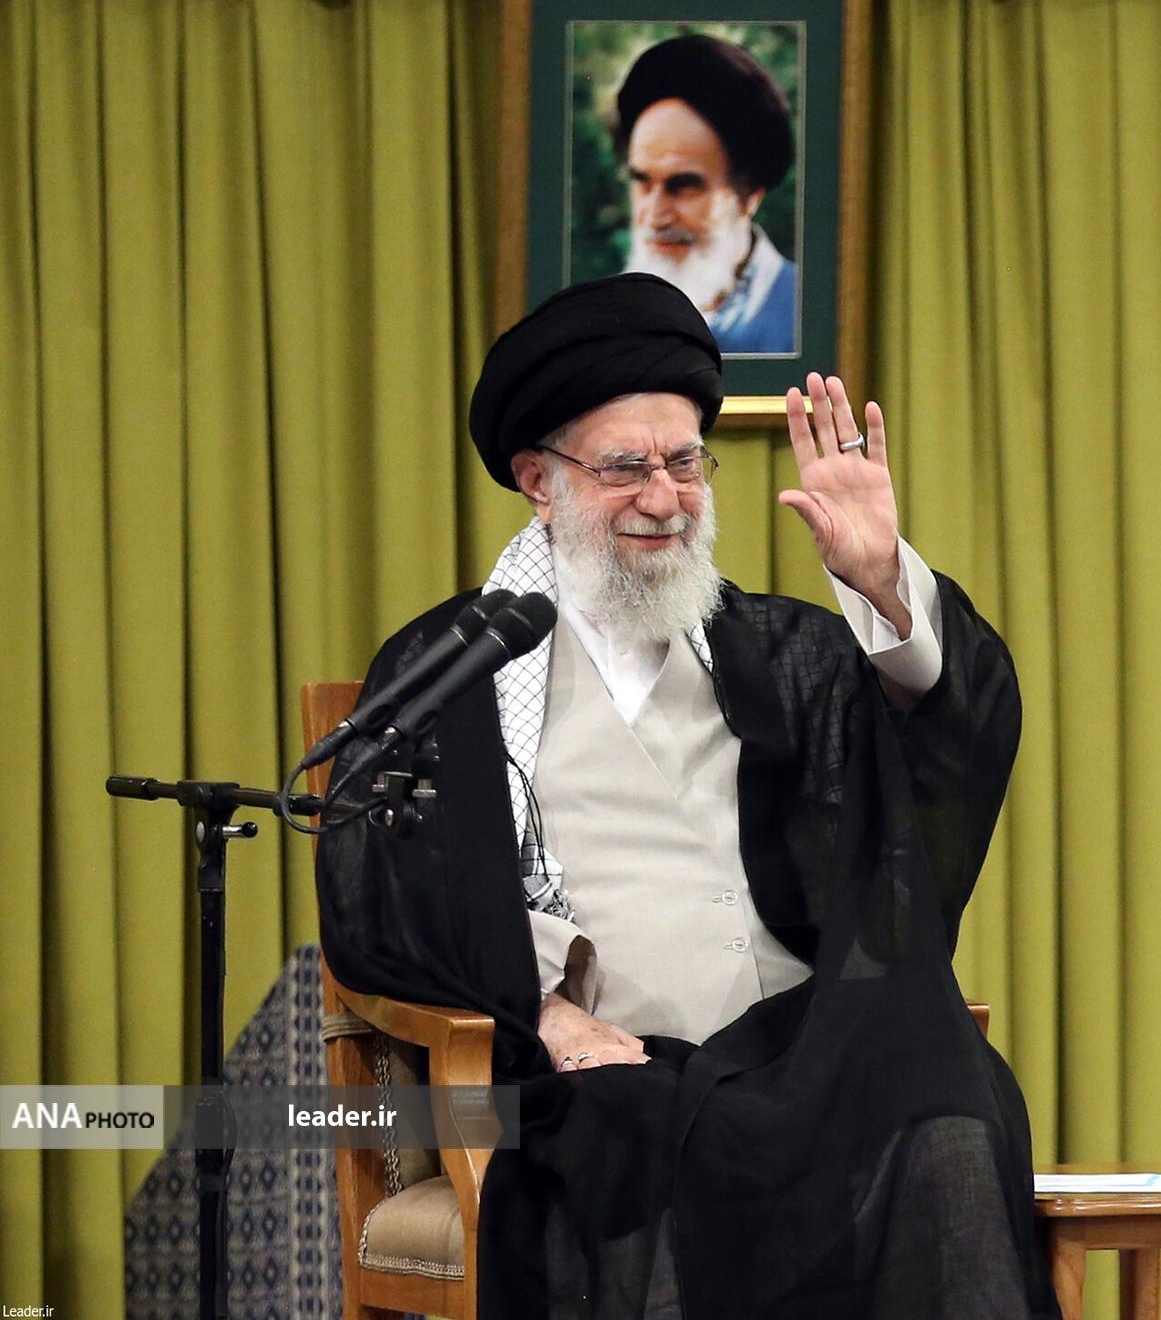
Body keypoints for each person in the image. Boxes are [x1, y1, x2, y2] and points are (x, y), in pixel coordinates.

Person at [316, 273, 1053, 1318]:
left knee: (948, 1094)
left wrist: (882, 580)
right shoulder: (453, 669)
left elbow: (942, 747)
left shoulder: (783, 650)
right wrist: (541, 1010)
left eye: (684, 462)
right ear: (538, 479)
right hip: (603, 1073)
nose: (664, 498)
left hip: (799, 1054)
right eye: (625, 467)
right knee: (638, 1152)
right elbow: (382, 897)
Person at [614, 34, 798, 354]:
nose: (655, 216)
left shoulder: (807, 314)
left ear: (750, 194)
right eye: (642, 182)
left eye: (683, 186)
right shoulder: (606, 318)